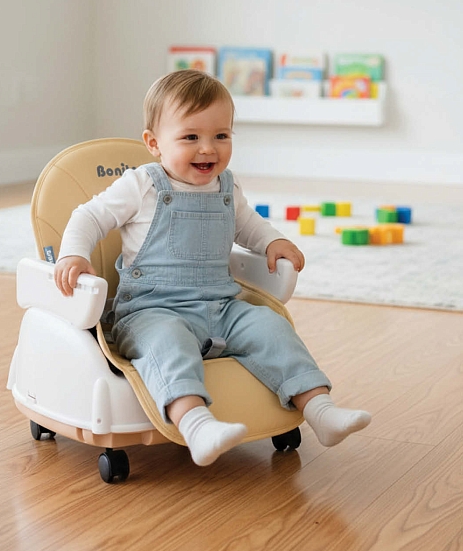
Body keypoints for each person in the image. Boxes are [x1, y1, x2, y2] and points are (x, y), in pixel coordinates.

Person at [54, 69, 371, 466]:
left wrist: (273, 242)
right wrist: (74, 254)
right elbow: (88, 216)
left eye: (221, 135)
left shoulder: (226, 187)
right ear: (154, 143)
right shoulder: (142, 185)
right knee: (168, 344)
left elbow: (249, 225)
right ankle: (197, 425)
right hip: (152, 310)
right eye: (191, 137)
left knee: (272, 327)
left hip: (222, 306)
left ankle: (321, 411)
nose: (208, 149)